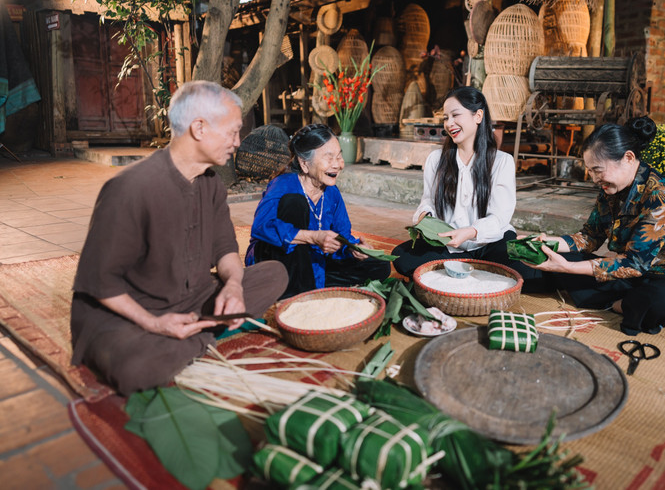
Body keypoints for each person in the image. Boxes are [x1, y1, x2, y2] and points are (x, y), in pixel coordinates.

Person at [70, 81, 288, 395]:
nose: (237, 142)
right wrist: (154, 324)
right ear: (199, 128)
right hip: (129, 314)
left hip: (192, 298)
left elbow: (225, 248)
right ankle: (200, 335)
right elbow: (99, 282)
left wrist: (234, 287)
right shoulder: (130, 188)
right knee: (135, 370)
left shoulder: (211, 183)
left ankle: (191, 333)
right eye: (232, 132)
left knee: (275, 273)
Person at [526, 117, 665, 335]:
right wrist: (549, 244)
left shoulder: (662, 195)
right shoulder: (610, 190)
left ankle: (619, 304)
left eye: (597, 170)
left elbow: (634, 263)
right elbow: (589, 237)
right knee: (549, 262)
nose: (593, 178)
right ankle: (622, 303)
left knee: (657, 301)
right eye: (590, 171)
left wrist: (567, 267)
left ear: (628, 158)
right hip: (632, 276)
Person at [391, 86, 535, 279]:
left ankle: (457, 270)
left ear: (478, 116)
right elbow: (428, 201)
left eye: (455, 115)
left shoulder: (501, 161)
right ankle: (476, 270)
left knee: (528, 272)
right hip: (448, 245)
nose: (449, 123)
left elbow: (500, 218)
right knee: (402, 258)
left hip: (489, 245)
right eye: (445, 118)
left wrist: (471, 232)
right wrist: (424, 217)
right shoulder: (436, 159)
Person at [246, 123, 390, 297]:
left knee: (379, 265)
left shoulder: (332, 193)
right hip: (278, 260)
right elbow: (261, 227)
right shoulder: (284, 184)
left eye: (339, 156)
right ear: (304, 163)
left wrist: (352, 249)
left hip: (312, 261)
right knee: (295, 203)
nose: (338, 165)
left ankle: (309, 283)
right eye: (329, 158)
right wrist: (312, 237)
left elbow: (342, 234)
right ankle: (294, 290)